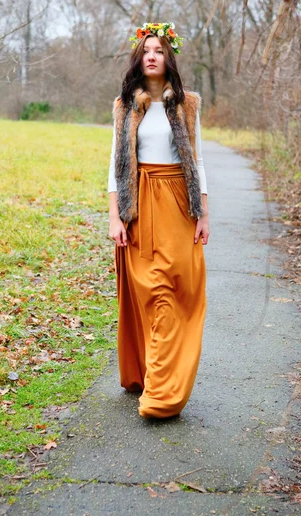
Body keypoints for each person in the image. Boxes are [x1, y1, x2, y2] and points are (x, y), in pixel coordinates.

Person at [108, 22, 209, 419]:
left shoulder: (187, 104)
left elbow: (198, 161)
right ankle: (150, 375)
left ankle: (164, 395)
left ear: (169, 58)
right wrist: (115, 217)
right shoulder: (124, 106)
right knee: (147, 294)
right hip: (138, 207)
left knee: (172, 292)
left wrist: (203, 213)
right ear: (139, 57)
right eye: (147, 49)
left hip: (179, 207)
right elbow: (112, 166)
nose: (152, 55)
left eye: (160, 50)